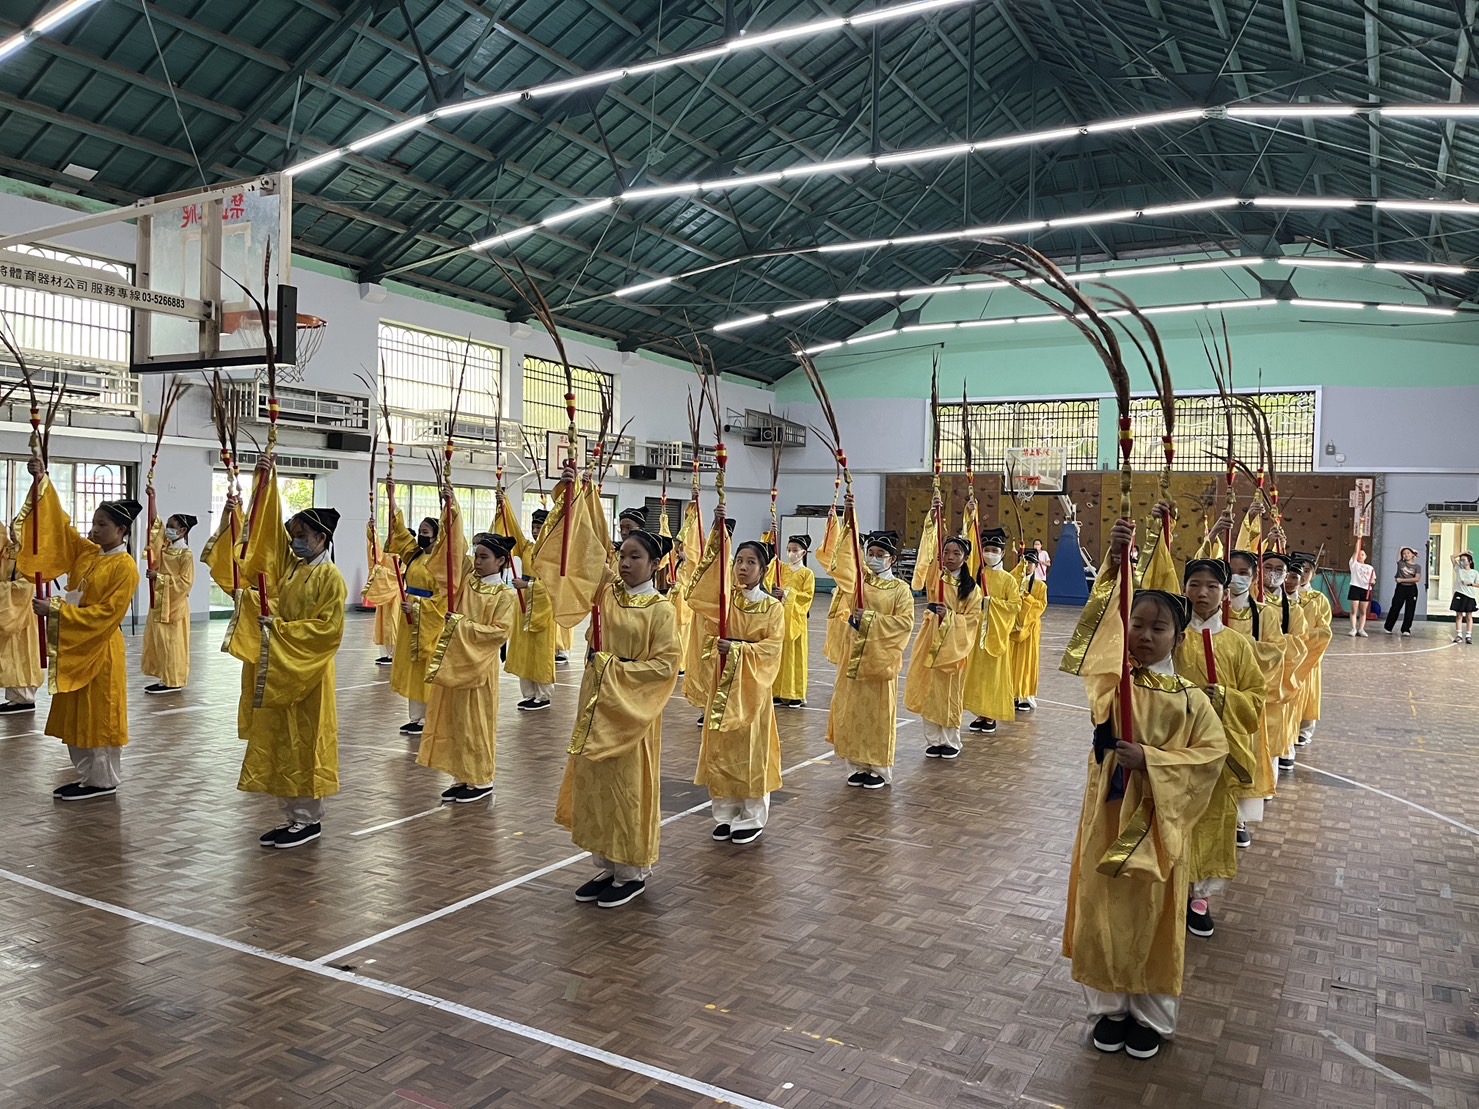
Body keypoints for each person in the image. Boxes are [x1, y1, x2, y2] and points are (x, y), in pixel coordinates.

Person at [1063, 518, 1227, 1061]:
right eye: (1138, 624)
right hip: (1106, 818)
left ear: (1178, 639)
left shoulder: (1191, 700)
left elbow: (1209, 757)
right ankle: (1108, 1007)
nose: (1145, 634)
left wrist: (1152, 760)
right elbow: (1099, 630)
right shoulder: (1113, 682)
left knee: (1152, 915)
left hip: (1157, 828)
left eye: (1159, 629)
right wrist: (1115, 561)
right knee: (1103, 910)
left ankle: (1151, 1017)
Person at [537, 466, 679, 908]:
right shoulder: (608, 593)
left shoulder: (661, 610)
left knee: (628, 784)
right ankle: (607, 862)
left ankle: (632, 867)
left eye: (636, 556)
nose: (626, 561)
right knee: (597, 781)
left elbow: (667, 665)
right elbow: (584, 550)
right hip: (596, 702)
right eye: (624, 555)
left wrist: (614, 669)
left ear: (655, 565)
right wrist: (576, 492)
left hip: (630, 710)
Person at [227, 462, 346, 848]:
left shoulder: (331, 578)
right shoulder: (295, 570)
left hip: (308, 671)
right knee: (282, 738)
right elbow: (274, 596)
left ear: (322, 538)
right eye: (293, 535)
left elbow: (328, 630)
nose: (295, 542)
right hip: (283, 666)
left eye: (302, 535)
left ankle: (309, 818)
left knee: (308, 740)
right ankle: (291, 814)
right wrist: (256, 605)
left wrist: (280, 629)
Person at [18, 458, 140, 800]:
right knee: (78, 714)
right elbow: (58, 528)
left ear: (121, 530)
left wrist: (56, 610)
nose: (95, 529)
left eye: (103, 525)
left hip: (99, 649)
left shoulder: (125, 567)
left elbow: (106, 615)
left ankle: (103, 780)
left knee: (99, 715)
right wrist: (41, 482)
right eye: (95, 523)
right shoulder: (90, 555)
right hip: (77, 648)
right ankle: (88, 776)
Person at [1177, 558, 1265, 940]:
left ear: (1224, 592)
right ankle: (1171, 888)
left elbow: (1257, 697)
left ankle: (1200, 898)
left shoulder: (1237, 644)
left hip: (1220, 750)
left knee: (1213, 819)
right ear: (1184, 588)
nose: (1203, 593)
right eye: (1195, 584)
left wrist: (1226, 698)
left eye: (1212, 587)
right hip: (1176, 745)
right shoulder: (1173, 635)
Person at [688, 513, 784, 844]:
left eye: (751, 562)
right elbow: (699, 599)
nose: (743, 567)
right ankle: (725, 812)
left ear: (764, 569)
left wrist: (739, 649)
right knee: (722, 749)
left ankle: (752, 815)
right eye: (739, 560)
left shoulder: (772, 608)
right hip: (722, 687)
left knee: (751, 750)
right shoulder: (725, 602)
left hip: (752, 691)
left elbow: (771, 650)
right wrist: (716, 537)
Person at [417, 532, 518, 804]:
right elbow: (451, 552)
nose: (478, 561)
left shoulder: (504, 594)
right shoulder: (468, 583)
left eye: (485, 557)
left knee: (477, 723)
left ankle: (481, 778)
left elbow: (499, 632)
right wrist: (451, 509)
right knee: (456, 720)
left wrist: (460, 624)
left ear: (501, 561)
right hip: (456, 662)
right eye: (477, 555)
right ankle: (461, 775)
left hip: (480, 666)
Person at [826, 509, 914, 788]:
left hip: (879, 662)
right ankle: (856, 764)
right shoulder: (858, 583)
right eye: (871, 552)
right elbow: (842, 570)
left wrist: (872, 620)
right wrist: (850, 520)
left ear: (892, 559)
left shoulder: (900, 590)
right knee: (851, 711)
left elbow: (904, 624)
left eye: (880, 554)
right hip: (853, 657)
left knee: (877, 715)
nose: (874, 558)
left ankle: (877, 767)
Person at [1221, 547, 1288, 848]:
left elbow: (1274, 652)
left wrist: (1239, 646)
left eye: (1244, 573)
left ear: (1253, 576)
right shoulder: (1212, 609)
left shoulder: (1266, 614)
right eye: (1232, 572)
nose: (1237, 578)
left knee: (1243, 757)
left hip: (1244, 698)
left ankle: (1239, 818)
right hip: (1212, 697)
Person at [903, 519, 982, 760]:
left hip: (953, 646)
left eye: (956, 553)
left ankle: (950, 739)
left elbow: (971, 621)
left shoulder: (971, 589)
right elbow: (926, 554)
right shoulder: (935, 577)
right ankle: (933, 739)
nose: (949, 556)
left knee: (949, 692)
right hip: (930, 639)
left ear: (965, 558)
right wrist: (931, 522)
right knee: (929, 689)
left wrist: (949, 617)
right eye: (946, 552)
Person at [388, 497, 465, 735]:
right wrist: (392, 501)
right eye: (419, 530)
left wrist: (420, 607)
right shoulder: (414, 555)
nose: (420, 535)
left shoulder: (441, 563)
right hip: (409, 619)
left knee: (427, 666)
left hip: (428, 620)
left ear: (435, 535)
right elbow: (400, 535)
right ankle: (416, 716)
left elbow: (443, 597)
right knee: (412, 666)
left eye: (425, 531)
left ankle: (431, 715)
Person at [964, 528, 1022, 734]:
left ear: (1002, 553)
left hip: (996, 633)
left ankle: (991, 715)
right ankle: (980, 713)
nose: (990, 553)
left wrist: (992, 604)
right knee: (978, 674)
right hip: (977, 632)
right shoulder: (978, 575)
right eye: (986, 549)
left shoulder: (1008, 580)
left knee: (993, 676)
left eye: (994, 550)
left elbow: (1015, 605)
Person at [500, 498, 556, 711]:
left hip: (542, 606)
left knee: (540, 650)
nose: (535, 531)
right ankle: (529, 693)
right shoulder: (527, 548)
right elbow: (512, 532)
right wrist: (503, 505)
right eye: (533, 527)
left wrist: (528, 585)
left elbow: (553, 585)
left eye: (539, 527)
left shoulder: (553, 554)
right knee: (524, 648)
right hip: (523, 603)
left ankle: (543, 695)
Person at [141, 512, 197, 694]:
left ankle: (174, 679)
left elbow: (185, 583)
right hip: (160, 602)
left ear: (182, 530)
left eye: (172, 527)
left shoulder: (186, 554)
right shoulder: (166, 549)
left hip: (175, 605)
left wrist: (159, 577)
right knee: (160, 643)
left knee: (173, 644)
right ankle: (164, 676)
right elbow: (154, 527)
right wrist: (153, 497)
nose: (168, 530)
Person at [1291, 554, 1333, 749]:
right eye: (1298, 569)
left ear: (1313, 574)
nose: (1302, 574)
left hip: (1308, 655)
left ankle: (1304, 730)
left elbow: (1324, 631)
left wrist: (1301, 637)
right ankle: (1288, 728)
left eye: (1307, 571)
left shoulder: (1318, 600)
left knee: (1307, 694)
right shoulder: (1284, 597)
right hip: (1288, 656)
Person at [0, 518, 42, 714]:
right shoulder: (9, 551)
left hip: (22, 611)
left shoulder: (31, 555)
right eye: (12, 528)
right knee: (10, 655)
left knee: (22, 655)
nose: (13, 532)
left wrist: (4, 590)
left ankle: (25, 698)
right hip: (10, 610)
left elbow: (27, 585)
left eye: (18, 528)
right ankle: (16, 698)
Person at [773, 534, 816, 708]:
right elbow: (770, 578)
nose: (791, 553)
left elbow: (807, 596)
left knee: (795, 655)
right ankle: (777, 691)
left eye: (795, 550)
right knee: (779, 654)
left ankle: (795, 693)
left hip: (796, 617)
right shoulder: (782, 568)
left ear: (803, 552)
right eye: (789, 550)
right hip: (781, 616)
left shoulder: (807, 574)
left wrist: (787, 594)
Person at [1013, 547, 1048, 711]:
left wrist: (1027, 598)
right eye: (1025, 562)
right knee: (1012, 661)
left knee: (1027, 661)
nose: (1028, 566)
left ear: (1036, 565)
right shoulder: (1012, 582)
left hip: (1030, 628)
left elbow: (1041, 605)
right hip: (1013, 628)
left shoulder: (1040, 586)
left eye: (1031, 563)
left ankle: (1025, 695)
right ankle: (1011, 693)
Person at [363, 520, 400, 666]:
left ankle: (394, 653)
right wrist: (373, 533)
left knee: (393, 622)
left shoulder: (405, 554)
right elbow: (376, 556)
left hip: (397, 591)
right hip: (385, 589)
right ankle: (385, 653)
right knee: (383, 621)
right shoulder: (387, 554)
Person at [1383, 547, 1423, 636]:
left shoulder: (1417, 567)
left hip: (1412, 589)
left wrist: (1402, 580)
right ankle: (1388, 627)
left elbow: (1417, 578)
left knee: (1410, 609)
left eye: (1408, 553)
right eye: (1404, 553)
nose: (1406, 554)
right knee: (1395, 607)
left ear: (1412, 554)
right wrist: (1411, 550)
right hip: (1401, 588)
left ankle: (1406, 629)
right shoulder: (1401, 563)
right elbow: (1400, 547)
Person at [1347, 545, 1375, 637]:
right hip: (1355, 588)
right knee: (1354, 610)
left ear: (1365, 556)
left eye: (1362, 554)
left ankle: (1361, 629)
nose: (1360, 556)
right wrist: (1359, 539)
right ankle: (1353, 629)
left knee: (1363, 611)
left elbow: (1373, 580)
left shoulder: (1370, 567)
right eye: (1359, 554)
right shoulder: (1354, 564)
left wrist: (1372, 581)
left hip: (1366, 590)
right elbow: (1355, 551)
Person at [1452, 551, 1478, 643]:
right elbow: (1452, 557)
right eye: (1461, 560)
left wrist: (1470, 584)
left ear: (1469, 561)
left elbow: (1478, 584)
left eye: (1464, 560)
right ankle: (1459, 635)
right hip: (1459, 594)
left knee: (1469, 616)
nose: (1461, 562)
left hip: (1469, 595)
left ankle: (1468, 635)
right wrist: (1464, 552)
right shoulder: (1459, 569)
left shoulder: (1474, 572)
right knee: (1459, 615)